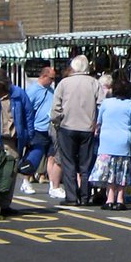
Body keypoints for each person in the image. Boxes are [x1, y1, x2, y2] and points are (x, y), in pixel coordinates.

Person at [50, 55, 104, 206]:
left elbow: (55, 108)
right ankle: (85, 197)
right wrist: (96, 123)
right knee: (85, 165)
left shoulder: (64, 83)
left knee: (69, 163)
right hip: (87, 128)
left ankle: (72, 197)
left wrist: (56, 122)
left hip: (67, 127)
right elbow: (101, 105)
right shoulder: (94, 83)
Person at [0, 68, 35, 210]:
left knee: (10, 174)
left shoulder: (18, 94)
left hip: (13, 141)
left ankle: (5, 205)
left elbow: (28, 115)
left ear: (2, 84)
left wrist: (29, 136)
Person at [90, 77, 131, 211]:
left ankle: (110, 198)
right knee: (122, 170)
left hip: (107, 141)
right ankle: (120, 199)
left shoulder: (106, 103)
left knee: (110, 171)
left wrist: (97, 131)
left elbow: (99, 122)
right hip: (123, 141)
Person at [24, 65, 57, 191]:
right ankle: (26, 180)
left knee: (51, 156)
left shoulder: (51, 90)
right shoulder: (32, 90)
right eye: (51, 78)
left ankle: (53, 185)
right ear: (43, 76)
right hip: (37, 128)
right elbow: (27, 109)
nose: (52, 81)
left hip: (50, 127)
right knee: (34, 155)